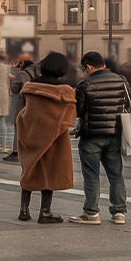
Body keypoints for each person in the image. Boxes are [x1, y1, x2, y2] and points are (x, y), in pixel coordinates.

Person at [17, 52, 77, 224]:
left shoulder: (30, 87)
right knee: (50, 172)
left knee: (29, 169)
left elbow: (23, 111)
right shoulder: (64, 91)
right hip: (54, 136)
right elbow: (70, 115)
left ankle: (24, 209)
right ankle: (45, 212)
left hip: (31, 132)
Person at [73, 51, 131, 225]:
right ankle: (119, 212)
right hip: (115, 133)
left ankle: (91, 212)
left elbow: (79, 111)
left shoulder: (84, 85)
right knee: (116, 175)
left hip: (92, 136)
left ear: (89, 67)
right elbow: (127, 103)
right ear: (103, 64)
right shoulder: (121, 81)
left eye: (85, 69)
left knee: (91, 175)